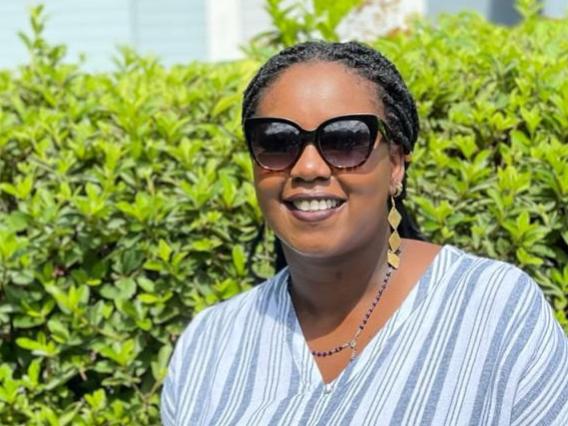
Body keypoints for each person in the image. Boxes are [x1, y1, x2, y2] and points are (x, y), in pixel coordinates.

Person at [161, 41, 568, 425]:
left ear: (395, 164)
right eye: (277, 141)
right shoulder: (209, 345)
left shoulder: (494, 310)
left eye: (344, 139)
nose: (307, 168)